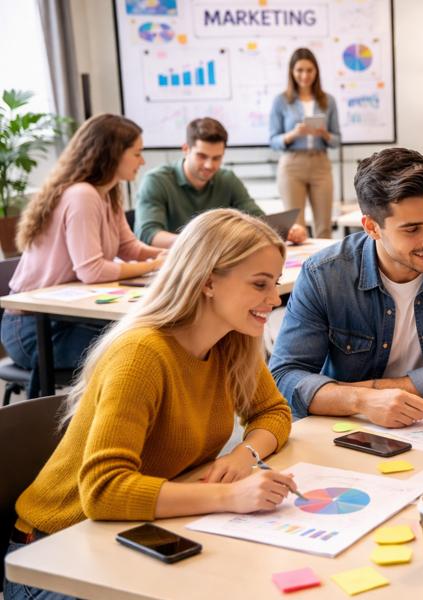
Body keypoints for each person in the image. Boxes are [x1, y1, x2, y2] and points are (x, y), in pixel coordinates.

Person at [4, 209, 295, 599]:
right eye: (260, 284)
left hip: (131, 530)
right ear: (208, 281)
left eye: (274, 283)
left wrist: (244, 454)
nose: (274, 299)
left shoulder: (232, 341)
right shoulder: (142, 354)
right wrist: (228, 496)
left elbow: (273, 412)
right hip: (53, 552)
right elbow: (104, 490)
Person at [269, 147, 423, 424]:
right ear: (371, 227)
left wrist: (351, 393)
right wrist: (363, 401)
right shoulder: (324, 275)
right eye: (412, 229)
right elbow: (284, 378)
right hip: (356, 423)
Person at [0, 114, 164, 394]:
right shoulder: (82, 195)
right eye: (137, 153)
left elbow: (130, 249)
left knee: (146, 338)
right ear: (113, 154)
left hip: (67, 320)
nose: (142, 161)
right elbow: (92, 271)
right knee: (140, 346)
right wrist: (157, 264)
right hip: (32, 329)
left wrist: (176, 254)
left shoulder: (107, 194)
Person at [134, 117, 308, 248]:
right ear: (186, 149)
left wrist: (285, 230)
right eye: (202, 156)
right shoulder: (157, 181)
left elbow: (257, 219)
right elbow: (148, 234)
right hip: (173, 267)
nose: (210, 165)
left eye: (217, 158)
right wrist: (200, 243)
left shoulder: (226, 179)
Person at [269, 47, 340, 238]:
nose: (305, 75)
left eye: (309, 70)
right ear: (292, 72)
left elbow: (337, 140)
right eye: (299, 70)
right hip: (292, 165)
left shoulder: (328, 101)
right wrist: (293, 134)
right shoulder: (281, 101)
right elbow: (273, 140)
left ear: (316, 71)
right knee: (295, 229)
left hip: (320, 163)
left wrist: (324, 134)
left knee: (324, 226)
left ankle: (325, 267)